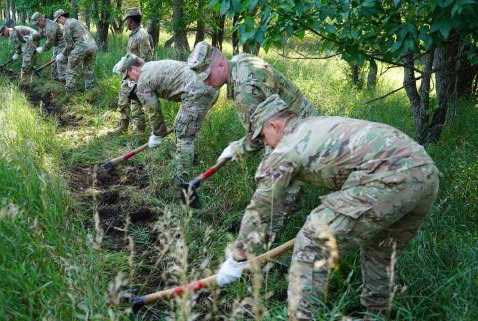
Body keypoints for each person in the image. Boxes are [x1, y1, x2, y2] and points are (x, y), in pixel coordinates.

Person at [215, 95, 440, 321]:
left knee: (313, 242)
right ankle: (377, 315)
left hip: (389, 176)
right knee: (381, 249)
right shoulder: (314, 125)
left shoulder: (287, 146)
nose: (266, 144)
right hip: (425, 173)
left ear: (275, 125)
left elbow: (263, 205)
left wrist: (238, 256)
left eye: (263, 136)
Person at [188, 41, 317, 219]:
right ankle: (292, 210)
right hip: (294, 119)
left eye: (207, 76)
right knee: (283, 181)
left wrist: (236, 149)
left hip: (293, 131)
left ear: (220, 65)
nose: (206, 82)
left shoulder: (244, 91)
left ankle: (267, 235)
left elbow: (259, 137)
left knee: (272, 186)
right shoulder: (239, 61)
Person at [114, 53, 219, 181]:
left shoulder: (142, 81)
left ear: (134, 69)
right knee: (184, 126)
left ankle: (181, 177)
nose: (130, 80)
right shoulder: (152, 67)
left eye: (128, 76)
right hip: (210, 85)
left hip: (198, 90)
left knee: (183, 131)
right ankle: (189, 158)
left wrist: (157, 134)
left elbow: (153, 110)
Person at [114, 7, 154, 134]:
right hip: (129, 74)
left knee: (136, 105)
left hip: (139, 76)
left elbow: (147, 60)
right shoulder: (133, 35)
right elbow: (132, 54)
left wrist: (138, 79)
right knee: (123, 99)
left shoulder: (142, 36)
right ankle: (123, 126)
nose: (126, 23)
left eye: (127, 21)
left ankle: (139, 133)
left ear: (131, 20)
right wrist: (123, 62)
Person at [54, 9, 98, 92]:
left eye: (57, 20)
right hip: (93, 47)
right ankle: (90, 91)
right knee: (88, 70)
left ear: (61, 17)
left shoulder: (67, 26)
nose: (58, 22)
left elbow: (69, 45)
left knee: (71, 70)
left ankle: (69, 92)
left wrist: (62, 55)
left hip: (81, 48)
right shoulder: (76, 21)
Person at [30, 12, 66, 81]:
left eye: (37, 23)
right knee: (53, 63)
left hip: (63, 44)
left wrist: (42, 48)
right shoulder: (42, 26)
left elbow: (50, 42)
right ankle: (55, 80)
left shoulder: (50, 26)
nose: (37, 25)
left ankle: (64, 82)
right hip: (57, 45)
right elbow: (40, 34)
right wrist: (31, 37)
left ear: (41, 19)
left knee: (60, 62)